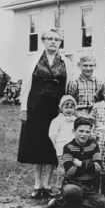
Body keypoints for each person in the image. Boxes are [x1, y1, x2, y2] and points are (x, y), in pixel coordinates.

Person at [18, 28, 74, 199]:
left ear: (60, 42)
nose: (53, 42)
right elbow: (26, 85)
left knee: (52, 145)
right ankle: (37, 185)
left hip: (55, 109)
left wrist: (67, 110)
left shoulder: (66, 62)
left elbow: (69, 86)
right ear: (43, 41)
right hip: (36, 107)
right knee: (36, 144)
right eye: (49, 38)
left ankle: (48, 185)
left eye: (56, 39)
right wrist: (24, 108)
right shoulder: (34, 60)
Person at [47, 117, 105, 208]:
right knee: (72, 191)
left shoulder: (94, 145)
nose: (84, 134)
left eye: (87, 132)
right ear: (74, 131)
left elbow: (98, 167)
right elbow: (70, 171)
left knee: (103, 203)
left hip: (89, 187)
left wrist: (81, 164)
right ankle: (72, 200)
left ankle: (62, 202)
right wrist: (89, 164)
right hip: (73, 183)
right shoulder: (68, 147)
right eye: (81, 131)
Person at [48, 95, 77, 191]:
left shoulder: (75, 120)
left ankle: (70, 188)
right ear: (61, 108)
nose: (69, 110)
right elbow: (52, 134)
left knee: (73, 168)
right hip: (62, 149)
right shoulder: (57, 120)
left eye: (71, 107)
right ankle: (59, 188)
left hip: (74, 149)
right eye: (66, 107)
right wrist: (57, 145)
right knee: (62, 169)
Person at [67, 53, 101, 117]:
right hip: (78, 115)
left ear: (95, 66)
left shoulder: (99, 83)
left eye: (91, 65)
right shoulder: (74, 83)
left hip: (94, 115)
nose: (88, 68)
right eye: (85, 65)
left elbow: (100, 103)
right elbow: (70, 104)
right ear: (79, 65)